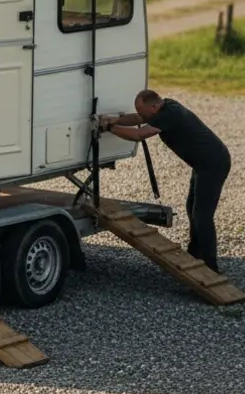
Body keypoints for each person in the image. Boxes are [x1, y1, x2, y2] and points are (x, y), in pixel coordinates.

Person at [99, 90, 231, 273]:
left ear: (154, 106)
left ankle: (211, 266)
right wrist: (117, 120)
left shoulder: (170, 115)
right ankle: (194, 254)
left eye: (144, 111)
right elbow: (138, 118)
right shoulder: (164, 107)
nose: (142, 115)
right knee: (191, 207)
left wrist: (109, 128)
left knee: (202, 215)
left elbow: (139, 134)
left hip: (213, 165)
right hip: (203, 165)